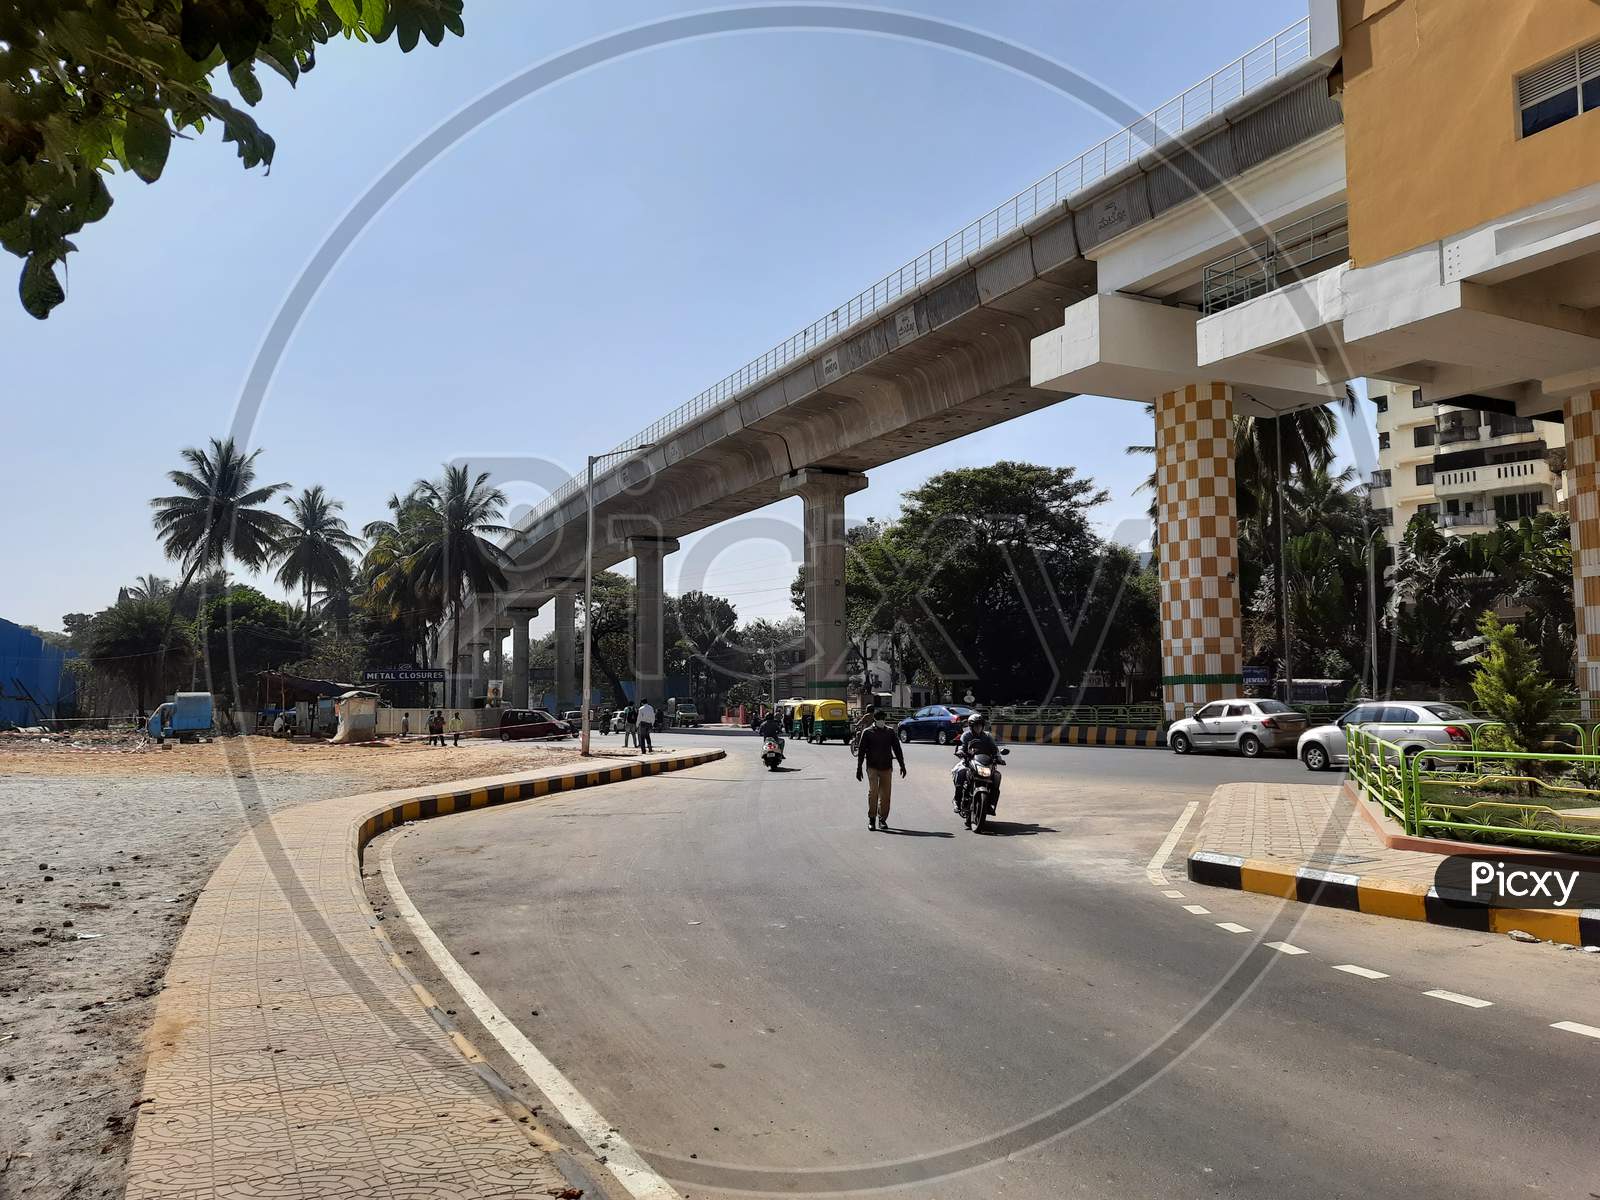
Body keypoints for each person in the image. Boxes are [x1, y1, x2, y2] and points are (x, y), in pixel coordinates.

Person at [855, 710, 906, 832]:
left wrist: (902, 765)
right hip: (872, 766)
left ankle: (882, 819)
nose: (882, 721)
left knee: (885, 795)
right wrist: (859, 769)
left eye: (883, 719)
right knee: (873, 792)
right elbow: (861, 752)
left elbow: (897, 749)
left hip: (886, 767)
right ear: (875, 720)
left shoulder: (890, 732)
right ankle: (872, 819)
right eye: (880, 719)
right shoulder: (867, 732)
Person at [952, 712, 1001, 814]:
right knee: (961, 773)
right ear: (971, 726)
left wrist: (999, 757)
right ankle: (957, 800)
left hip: (985, 763)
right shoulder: (966, 735)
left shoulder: (987, 736)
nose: (978, 728)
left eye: (980, 725)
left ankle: (991, 804)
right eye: (976, 725)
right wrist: (961, 752)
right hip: (969, 761)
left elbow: (995, 749)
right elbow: (961, 746)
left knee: (996, 776)